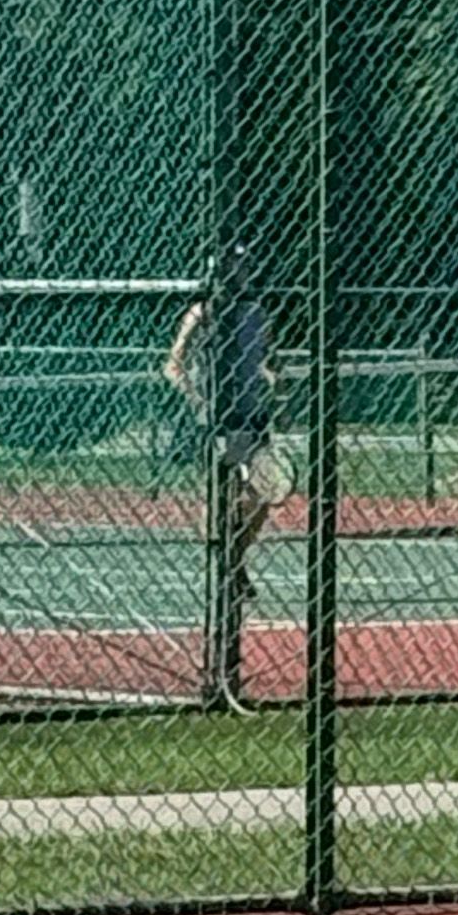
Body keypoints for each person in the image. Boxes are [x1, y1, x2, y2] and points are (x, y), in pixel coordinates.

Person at [165, 243, 276, 707]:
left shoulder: (256, 314)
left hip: (253, 417)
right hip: (218, 418)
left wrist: (270, 382)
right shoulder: (201, 314)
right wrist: (197, 402)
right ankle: (230, 567)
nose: (241, 272)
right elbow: (172, 364)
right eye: (233, 266)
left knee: (265, 493)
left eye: (245, 265)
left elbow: (266, 362)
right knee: (226, 495)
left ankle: (235, 561)